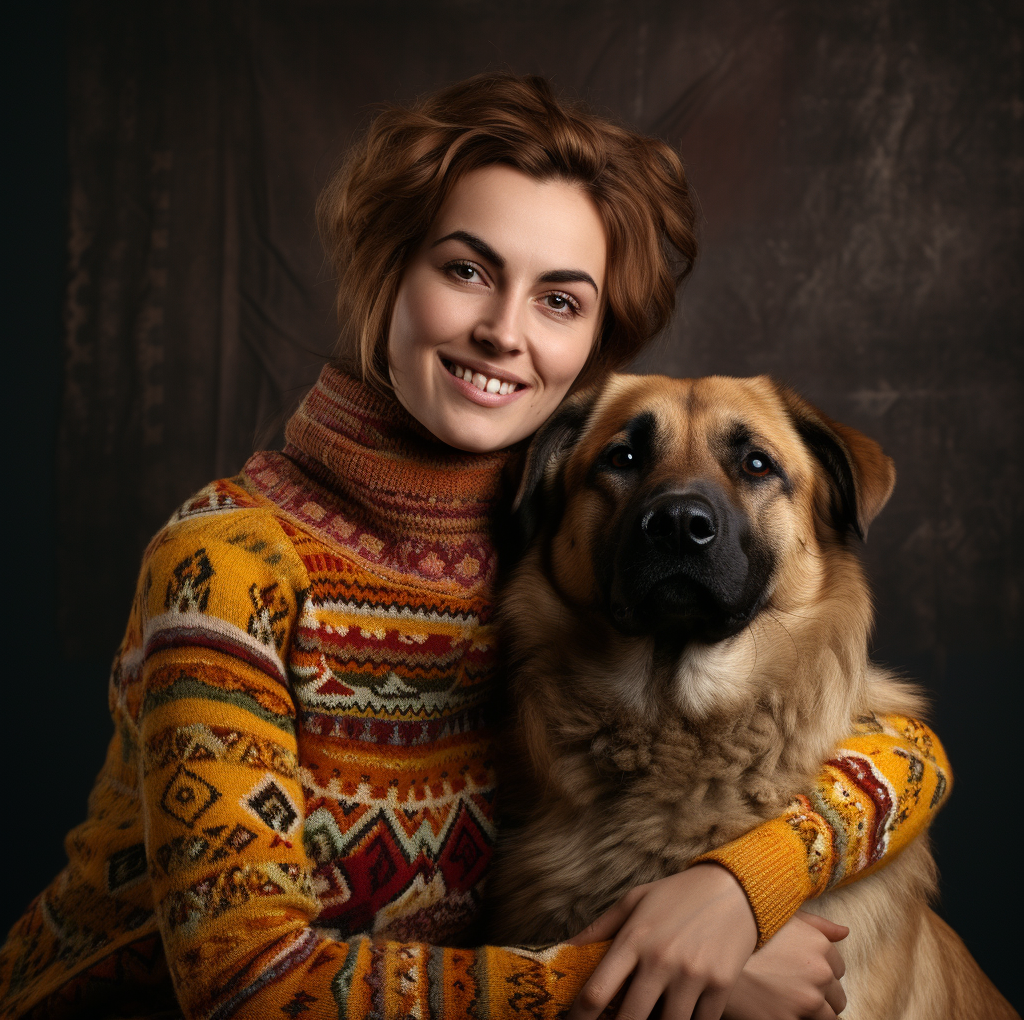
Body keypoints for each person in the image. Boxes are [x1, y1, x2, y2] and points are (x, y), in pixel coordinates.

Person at [0, 73, 950, 1020]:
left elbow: (908, 755)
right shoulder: (228, 563)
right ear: (387, 272)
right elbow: (244, 984)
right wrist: (647, 976)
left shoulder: (549, 537)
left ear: (594, 345)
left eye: (560, 301)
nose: (503, 332)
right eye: (465, 271)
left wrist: (743, 887)